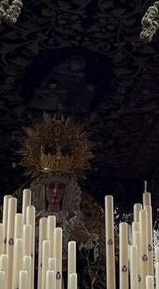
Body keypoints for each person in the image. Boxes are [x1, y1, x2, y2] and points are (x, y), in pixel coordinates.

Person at [18, 113, 104, 288]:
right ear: (42, 190)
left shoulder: (76, 220)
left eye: (61, 187)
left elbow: (96, 262)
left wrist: (87, 241)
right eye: (50, 186)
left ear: (68, 190)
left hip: (70, 279)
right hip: (34, 278)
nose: (56, 192)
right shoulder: (30, 220)